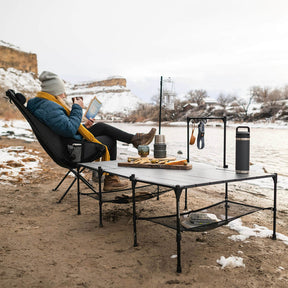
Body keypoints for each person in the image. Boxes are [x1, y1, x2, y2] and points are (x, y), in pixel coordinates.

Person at [27, 71, 156, 191]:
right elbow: (68, 129)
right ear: (54, 92)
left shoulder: (44, 105)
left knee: (101, 127)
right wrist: (77, 108)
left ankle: (136, 140)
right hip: (73, 150)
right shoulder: (49, 107)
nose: (64, 95)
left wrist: (84, 126)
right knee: (110, 140)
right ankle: (111, 179)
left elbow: (64, 127)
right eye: (62, 93)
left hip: (69, 143)